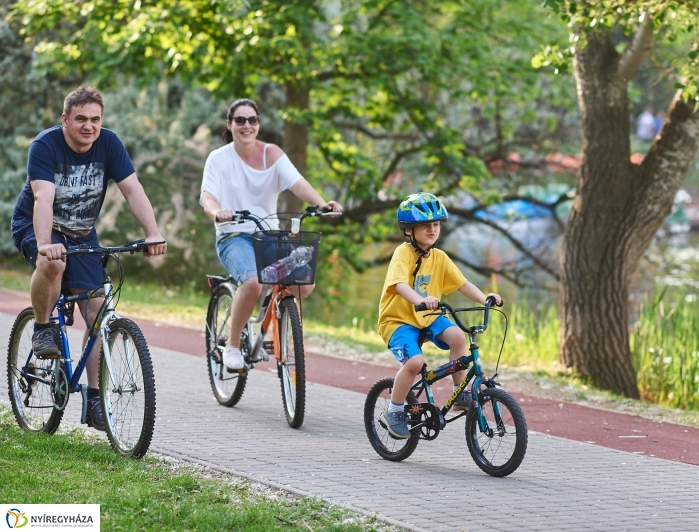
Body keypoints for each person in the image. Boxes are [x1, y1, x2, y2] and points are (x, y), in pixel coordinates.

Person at [10, 86, 167, 431]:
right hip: (38, 225)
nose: (89, 126)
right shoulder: (45, 146)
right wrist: (43, 244)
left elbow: (133, 189)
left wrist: (153, 232)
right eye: (80, 118)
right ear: (65, 119)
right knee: (53, 263)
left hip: (82, 232)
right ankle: (41, 328)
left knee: (98, 313)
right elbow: (42, 199)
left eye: (95, 119)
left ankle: (94, 399)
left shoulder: (109, 144)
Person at [199, 98, 342, 370]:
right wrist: (217, 212)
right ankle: (231, 346)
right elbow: (208, 197)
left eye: (252, 120)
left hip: (269, 235)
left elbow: (298, 183)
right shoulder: (218, 159)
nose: (247, 125)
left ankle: (272, 311)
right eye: (240, 120)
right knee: (253, 282)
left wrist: (322, 203)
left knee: (303, 283)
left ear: (258, 124)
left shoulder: (272, 154)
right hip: (234, 235)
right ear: (229, 125)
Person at [377, 192, 502, 439]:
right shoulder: (402, 253)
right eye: (426, 225)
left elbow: (462, 284)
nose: (433, 229)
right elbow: (399, 285)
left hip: (428, 317)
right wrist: (421, 300)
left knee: (457, 336)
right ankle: (394, 410)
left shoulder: (439, 257)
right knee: (415, 364)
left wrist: (485, 298)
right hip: (398, 321)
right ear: (409, 230)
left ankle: (460, 394)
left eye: (436, 225)